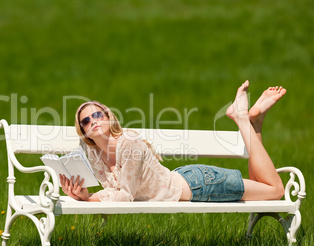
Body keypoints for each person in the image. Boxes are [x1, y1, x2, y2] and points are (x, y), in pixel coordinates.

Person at [59, 81, 286, 202]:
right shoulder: (95, 155)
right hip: (188, 182)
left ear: (109, 117)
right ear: (84, 132)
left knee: (274, 190)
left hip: (202, 185)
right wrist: (80, 193)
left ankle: (241, 118)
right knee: (262, 185)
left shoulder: (129, 144)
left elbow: (125, 195)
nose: (93, 121)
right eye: (86, 121)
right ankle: (254, 122)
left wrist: (88, 199)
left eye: (97, 115)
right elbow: (114, 192)